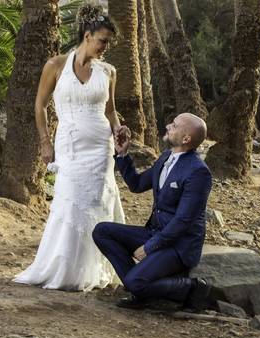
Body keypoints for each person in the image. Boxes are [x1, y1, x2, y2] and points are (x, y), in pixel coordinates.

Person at [13, 3, 129, 291]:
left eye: (108, 42)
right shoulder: (55, 66)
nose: (105, 47)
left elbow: (110, 110)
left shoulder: (109, 72)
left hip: (101, 150)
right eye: (103, 40)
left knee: (95, 204)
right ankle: (63, 268)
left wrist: (118, 129)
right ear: (87, 35)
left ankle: (92, 270)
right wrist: (44, 142)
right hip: (69, 147)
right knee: (69, 199)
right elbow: (39, 106)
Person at [91, 113, 213, 310]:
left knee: (134, 283)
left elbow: (183, 221)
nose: (167, 126)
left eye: (174, 125)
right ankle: (141, 286)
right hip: (155, 233)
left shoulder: (198, 172)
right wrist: (122, 154)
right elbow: (137, 184)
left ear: (186, 139)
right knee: (102, 231)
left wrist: (150, 247)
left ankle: (190, 287)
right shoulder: (166, 157)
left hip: (179, 246)